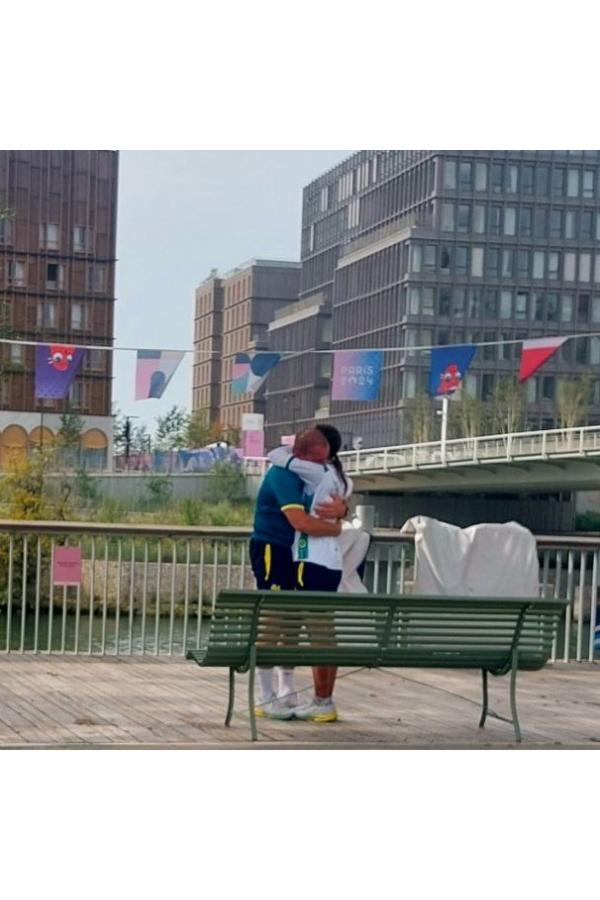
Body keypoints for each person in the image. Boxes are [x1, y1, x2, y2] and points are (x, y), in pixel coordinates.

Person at [250, 435, 347, 719]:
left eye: (326, 460)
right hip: (273, 548)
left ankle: (286, 689)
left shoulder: (309, 474)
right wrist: (336, 528)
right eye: (317, 460)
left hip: (294, 552)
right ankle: (264, 696)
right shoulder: (283, 474)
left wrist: (343, 510)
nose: (321, 465)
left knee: (291, 619)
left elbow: (334, 494)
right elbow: (300, 521)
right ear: (301, 455)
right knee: (274, 616)